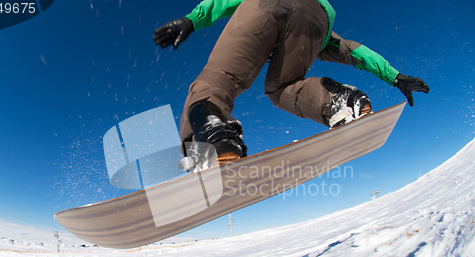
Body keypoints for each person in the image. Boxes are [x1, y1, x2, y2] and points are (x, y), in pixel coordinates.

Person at [153, 0, 429, 171]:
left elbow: (226, 0)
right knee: (283, 87)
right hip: (317, 16)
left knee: (219, 78)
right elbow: (352, 50)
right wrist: (395, 76)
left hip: (263, 5)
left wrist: (193, 19)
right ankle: (339, 101)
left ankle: (209, 143)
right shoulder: (323, 36)